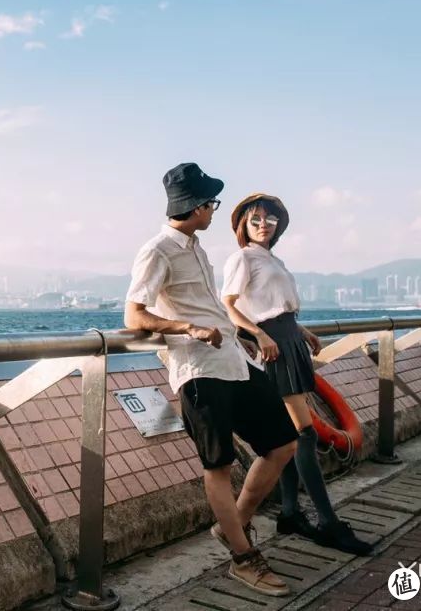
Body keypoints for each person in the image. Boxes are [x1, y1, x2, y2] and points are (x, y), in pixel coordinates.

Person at [124, 163, 300, 598]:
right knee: (217, 465)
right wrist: (188, 328)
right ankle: (244, 559)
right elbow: (134, 315)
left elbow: (213, 307)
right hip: (199, 372)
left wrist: (244, 333)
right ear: (197, 206)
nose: (214, 211)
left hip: (235, 363)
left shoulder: (198, 249)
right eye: (211, 204)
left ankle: (232, 526)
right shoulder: (157, 250)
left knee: (283, 443)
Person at [221, 193, 373, 556]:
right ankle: (327, 522)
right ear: (243, 224)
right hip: (274, 348)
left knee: (287, 434)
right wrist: (259, 334)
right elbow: (228, 306)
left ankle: (290, 513)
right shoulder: (242, 258)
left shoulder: (272, 259)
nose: (263, 224)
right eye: (255, 218)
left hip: (290, 342)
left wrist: (301, 331)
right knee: (302, 435)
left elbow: (277, 308)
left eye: (270, 219)